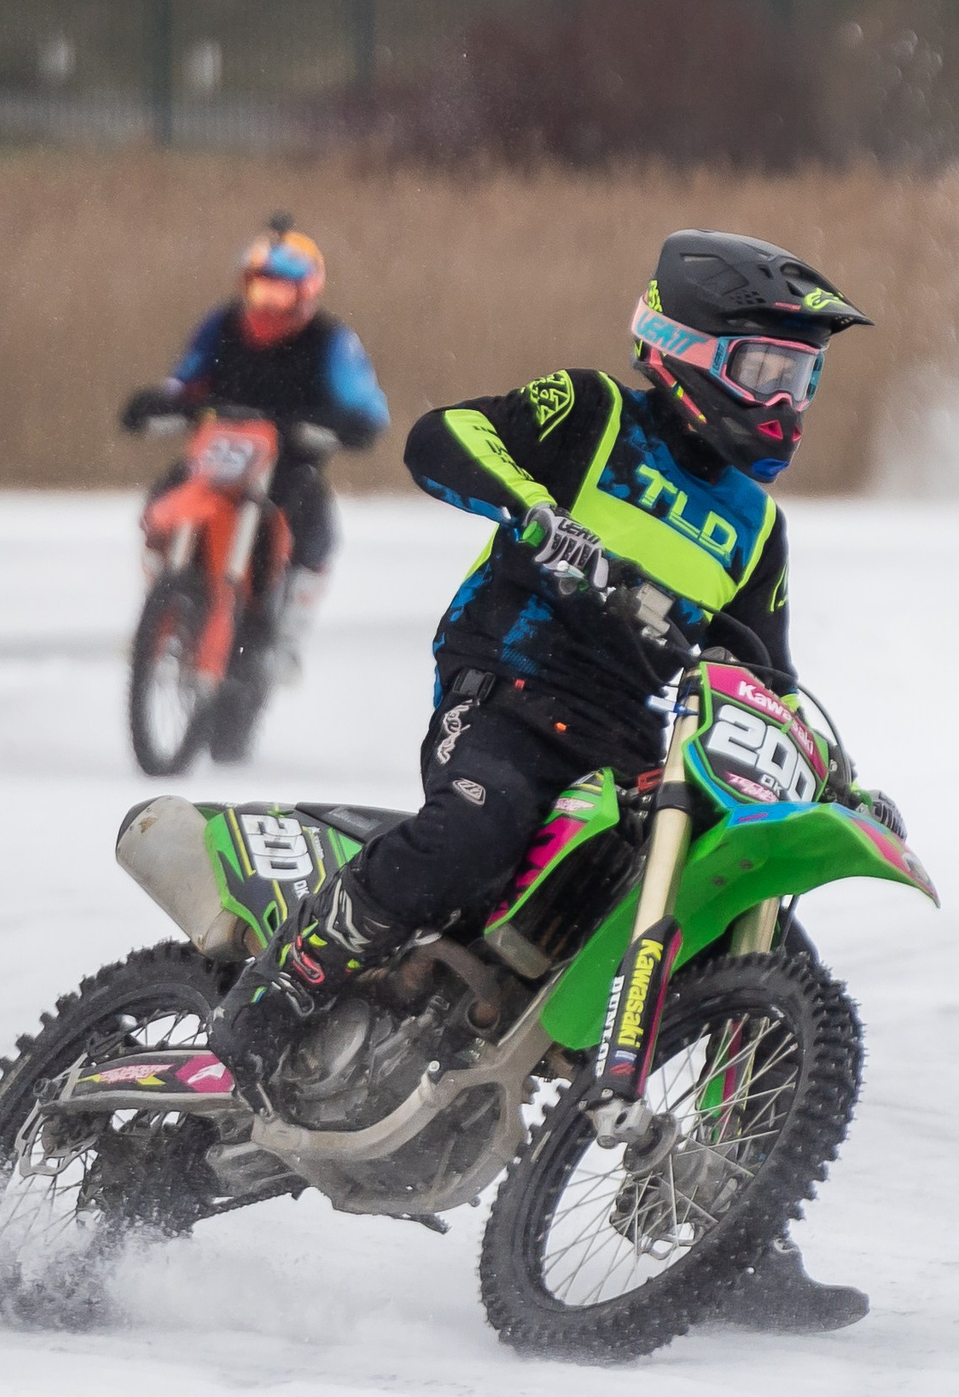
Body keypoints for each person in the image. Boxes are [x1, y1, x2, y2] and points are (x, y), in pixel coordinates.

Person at [206, 229, 881, 1331]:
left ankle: (740, 1226)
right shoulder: (591, 414)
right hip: (507, 688)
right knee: (482, 826)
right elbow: (443, 438)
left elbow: (767, 677)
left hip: (629, 751)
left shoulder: (757, 530)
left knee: (764, 940)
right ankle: (287, 981)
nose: (788, 398)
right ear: (682, 349)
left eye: (802, 376)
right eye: (766, 369)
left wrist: (836, 786)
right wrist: (538, 516)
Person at [119, 214, 389, 701]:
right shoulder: (221, 325)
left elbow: (365, 403)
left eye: (280, 292)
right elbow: (186, 379)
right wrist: (160, 402)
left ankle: (287, 635)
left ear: (306, 293)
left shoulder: (331, 341)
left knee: (316, 530)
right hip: (215, 458)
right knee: (162, 499)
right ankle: (159, 608)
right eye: (258, 289)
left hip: (286, 465)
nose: (266, 303)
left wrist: (347, 423)